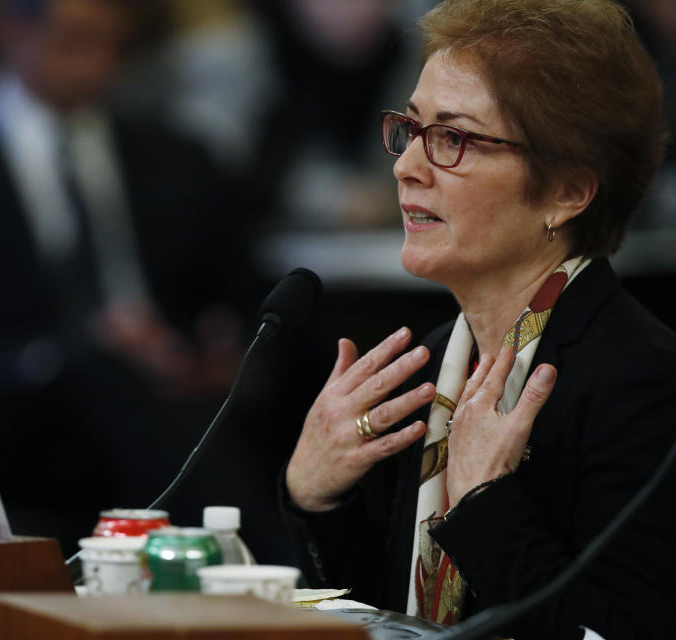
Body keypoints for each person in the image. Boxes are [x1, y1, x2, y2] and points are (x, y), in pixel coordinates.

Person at [280, 0, 676, 638]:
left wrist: (485, 506)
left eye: (453, 140)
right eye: (411, 131)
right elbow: (387, 621)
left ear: (566, 192)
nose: (406, 167)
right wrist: (318, 497)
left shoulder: (642, 383)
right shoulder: (439, 363)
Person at [0, 0, 264, 555]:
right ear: (12, 32)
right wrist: (73, 351)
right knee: (102, 373)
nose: (99, 66)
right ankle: (272, 564)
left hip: (173, 392)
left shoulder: (177, 156)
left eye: (114, 45)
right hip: (26, 414)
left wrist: (221, 346)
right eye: (78, 42)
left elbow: (236, 291)